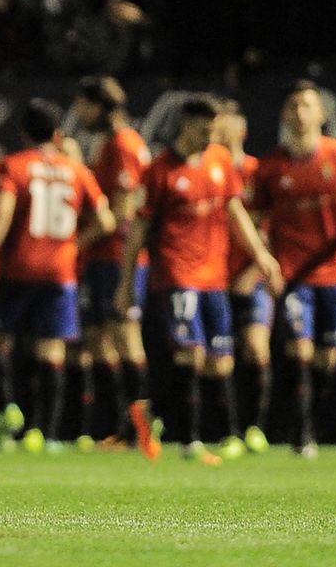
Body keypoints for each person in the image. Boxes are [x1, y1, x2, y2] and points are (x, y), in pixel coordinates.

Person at [116, 96, 282, 466]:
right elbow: (138, 230)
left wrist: (260, 255)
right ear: (186, 126)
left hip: (214, 279)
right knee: (189, 353)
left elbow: (236, 210)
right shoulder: (159, 171)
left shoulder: (220, 162)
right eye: (205, 131)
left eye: (214, 130)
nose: (210, 138)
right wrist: (126, 283)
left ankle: (153, 412)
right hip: (177, 275)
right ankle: (192, 442)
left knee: (219, 363)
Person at [251, 81, 336, 458]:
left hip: (332, 274)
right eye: (292, 105)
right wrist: (265, 259)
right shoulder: (271, 167)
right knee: (300, 350)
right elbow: (253, 221)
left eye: (307, 105)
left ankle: (311, 418)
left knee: (327, 360)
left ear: (322, 114)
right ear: (283, 115)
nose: (299, 112)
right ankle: (301, 432)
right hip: (293, 277)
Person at [0, 98, 115, 453]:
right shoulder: (77, 170)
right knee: (51, 351)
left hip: (20, 267)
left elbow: (3, 214)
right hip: (60, 272)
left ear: (23, 132)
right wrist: (73, 244)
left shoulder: (14, 165)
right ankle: (45, 432)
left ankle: (10, 410)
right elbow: (106, 221)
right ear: (57, 134)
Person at [72, 76, 160, 460]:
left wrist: (77, 242)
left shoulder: (124, 145)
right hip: (103, 258)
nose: (78, 113)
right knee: (99, 340)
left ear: (99, 106)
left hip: (117, 258)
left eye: (83, 104)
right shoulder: (113, 143)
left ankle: (142, 429)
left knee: (125, 338)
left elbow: (123, 212)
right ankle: (120, 428)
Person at [214, 100, 273, 454]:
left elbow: (270, 226)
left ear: (241, 128)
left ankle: (256, 428)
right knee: (219, 358)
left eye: (225, 120)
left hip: (250, 277)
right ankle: (230, 432)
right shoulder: (210, 170)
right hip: (215, 278)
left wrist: (254, 269)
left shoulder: (257, 171)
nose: (218, 127)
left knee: (256, 347)